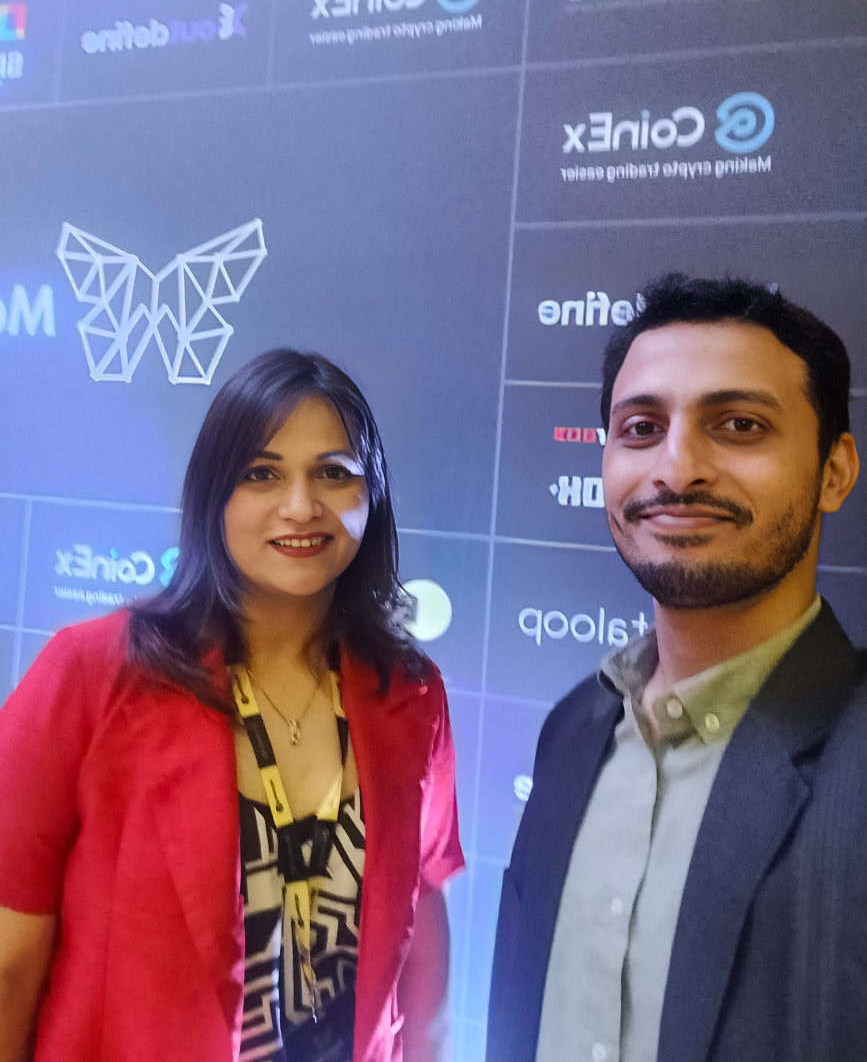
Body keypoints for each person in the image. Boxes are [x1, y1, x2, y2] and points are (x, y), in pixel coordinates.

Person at [0, 349, 463, 1062]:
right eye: (261, 474)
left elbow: (423, 928)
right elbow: (10, 958)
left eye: (333, 473)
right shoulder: (91, 672)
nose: (301, 506)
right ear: (213, 494)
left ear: (371, 496)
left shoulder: (410, 691)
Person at [487, 273, 866, 1062]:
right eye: (640, 428)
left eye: (737, 425)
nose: (677, 468)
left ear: (833, 471)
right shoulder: (571, 731)